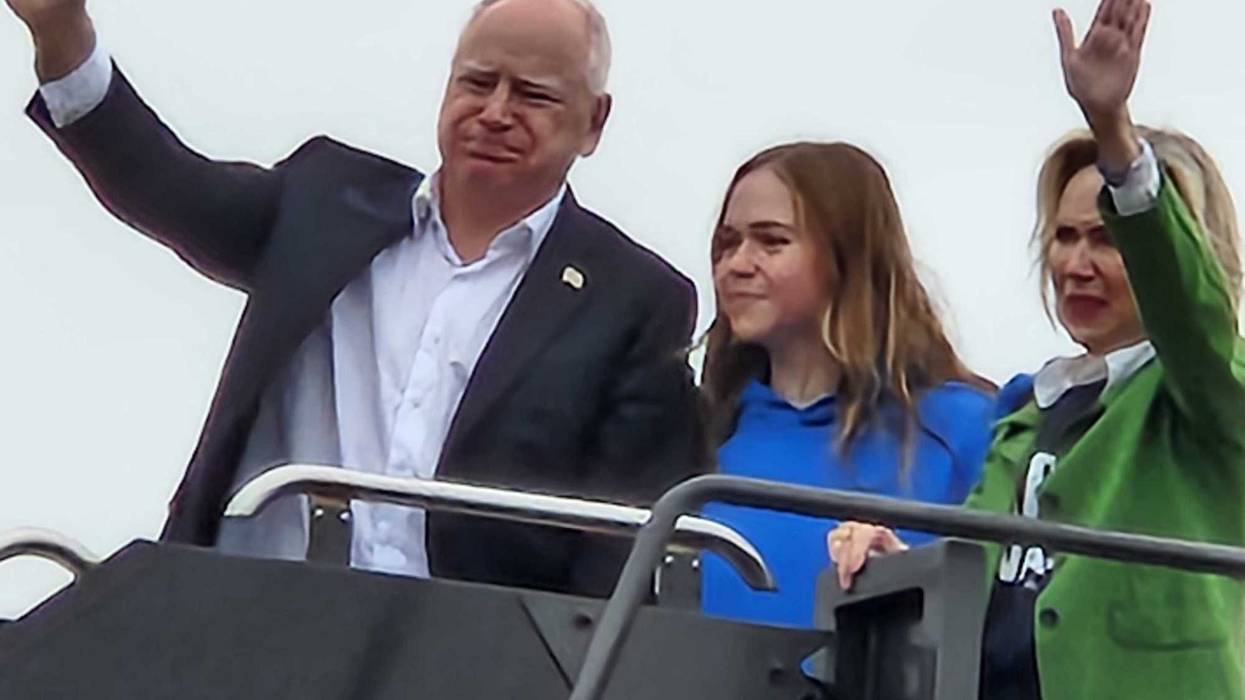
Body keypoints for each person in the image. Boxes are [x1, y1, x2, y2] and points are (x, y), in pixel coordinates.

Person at [6, 0, 702, 598]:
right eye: (477, 83)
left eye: (533, 95)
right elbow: (165, 185)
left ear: (594, 122)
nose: (495, 112)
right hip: (240, 630)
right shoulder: (325, 202)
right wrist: (65, 40)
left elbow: (622, 547)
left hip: (468, 661)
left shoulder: (633, 300)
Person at [830, 1, 1245, 696]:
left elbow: (1186, 310)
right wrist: (896, 557)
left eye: (1107, 238)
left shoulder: (1209, 388)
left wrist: (1112, 135)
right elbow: (985, 567)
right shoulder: (1029, 404)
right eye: (1064, 236)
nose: (1076, 263)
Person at [697, 141, 995, 628]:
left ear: (849, 258)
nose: (737, 264)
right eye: (727, 243)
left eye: (771, 242)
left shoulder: (965, 426)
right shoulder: (703, 430)